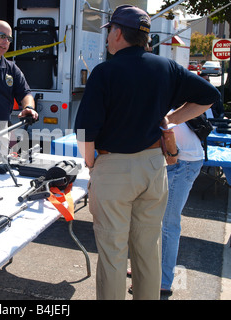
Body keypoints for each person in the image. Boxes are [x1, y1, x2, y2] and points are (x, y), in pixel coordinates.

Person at [74, 5, 220, 300]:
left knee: (114, 253)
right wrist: (172, 119)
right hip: (154, 168)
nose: (107, 39)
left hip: (114, 168)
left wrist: (90, 163)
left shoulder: (104, 71)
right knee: (147, 250)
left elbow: (85, 130)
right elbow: (210, 95)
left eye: (109, 33)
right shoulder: (165, 67)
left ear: (117, 33)